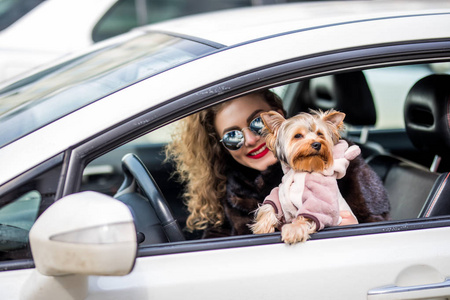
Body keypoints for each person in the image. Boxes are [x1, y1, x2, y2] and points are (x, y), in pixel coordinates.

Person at [166, 90, 389, 238]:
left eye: (257, 123)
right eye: (233, 136)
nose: (251, 140)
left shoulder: (339, 166)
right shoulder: (230, 186)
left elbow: (379, 234)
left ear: (278, 120)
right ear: (221, 145)